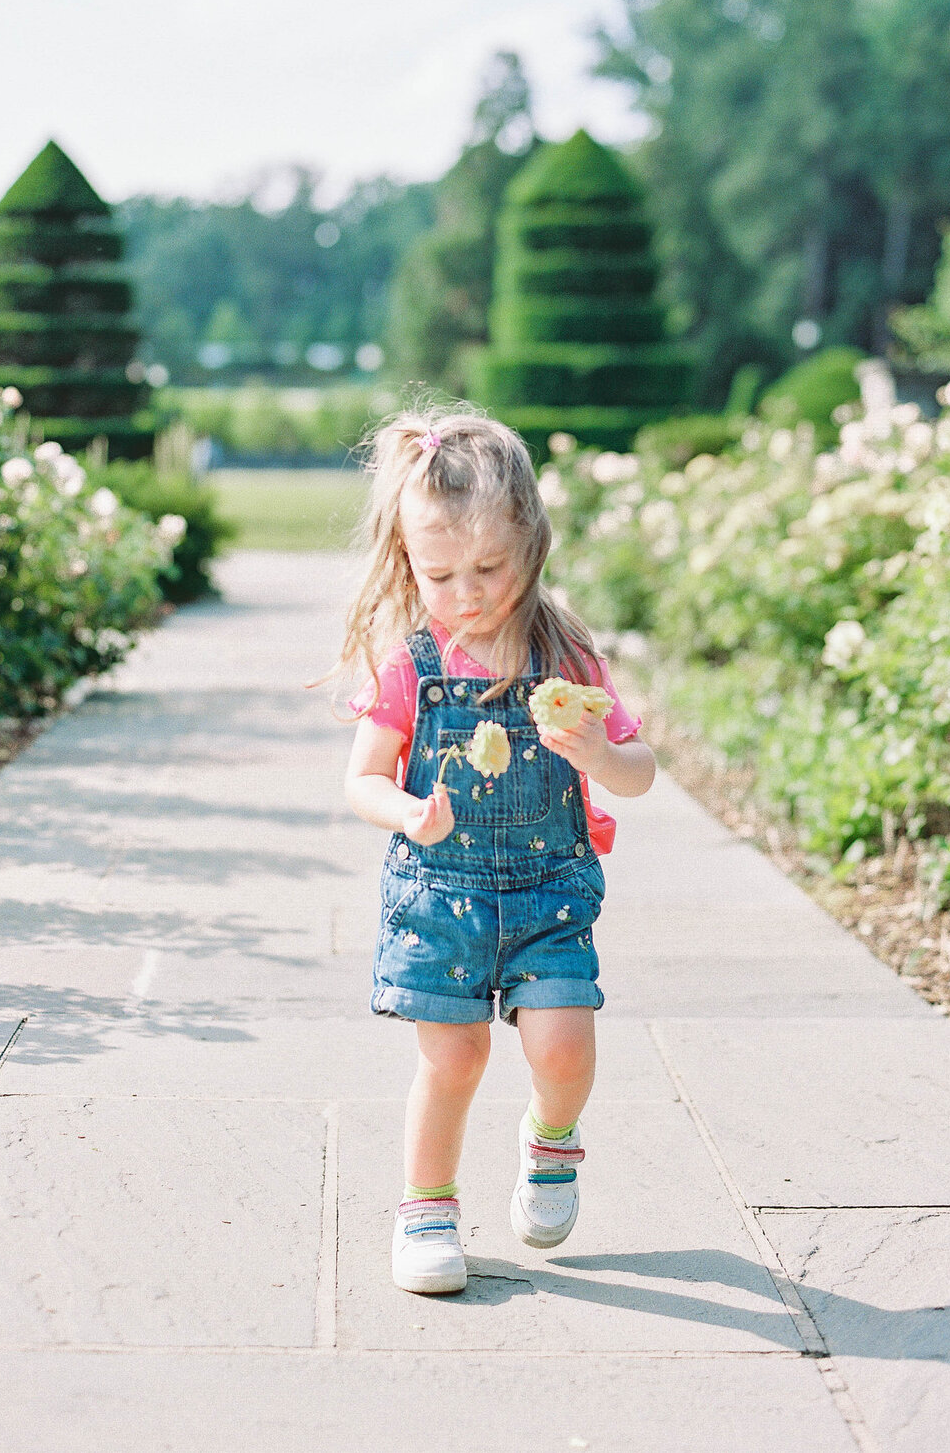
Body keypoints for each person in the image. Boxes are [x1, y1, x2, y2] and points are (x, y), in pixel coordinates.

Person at [337, 409, 656, 1294]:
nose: (466, 593)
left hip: (549, 892)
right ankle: (426, 1208)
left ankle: (551, 1136)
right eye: (439, 575)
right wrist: (408, 813)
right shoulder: (409, 663)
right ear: (409, 563)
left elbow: (641, 769)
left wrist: (599, 756)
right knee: (454, 1059)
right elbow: (362, 779)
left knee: (562, 1048)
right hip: (441, 895)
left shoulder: (566, 654)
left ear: (531, 541)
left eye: (490, 568)